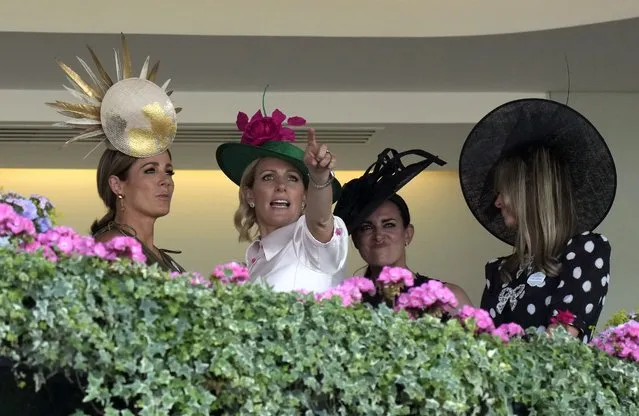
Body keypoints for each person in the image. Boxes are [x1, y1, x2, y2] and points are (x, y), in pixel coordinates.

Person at [459, 98, 616, 343]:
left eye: (503, 191)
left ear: (530, 191)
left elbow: (560, 344)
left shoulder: (585, 250)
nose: (497, 202)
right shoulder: (499, 271)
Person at [48, 34, 185, 273]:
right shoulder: (111, 249)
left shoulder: (159, 255)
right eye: (150, 170)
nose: (166, 181)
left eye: (169, 171)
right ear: (117, 184)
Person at [216, 99, 348, 292]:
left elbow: (320, 221)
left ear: (305, 197)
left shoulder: (311, 243)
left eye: (292, 178)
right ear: (250, 194)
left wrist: (318, 177)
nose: (280, 186)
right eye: (268, 177)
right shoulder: (249, 266)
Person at [334, 148, 473, 310]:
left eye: (389, 225)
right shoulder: (343, 305)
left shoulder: (449, 299)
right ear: (356, 240)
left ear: (408, 234)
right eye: (366, 227)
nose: (378, 236)